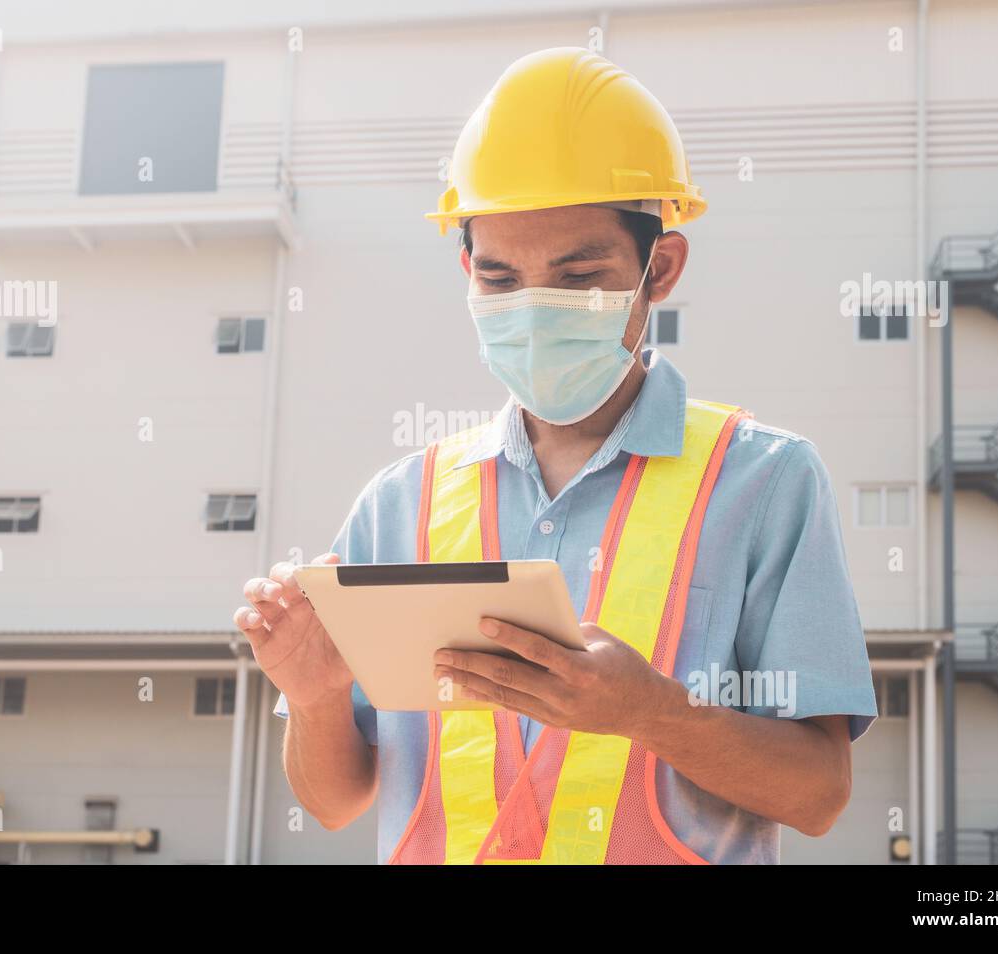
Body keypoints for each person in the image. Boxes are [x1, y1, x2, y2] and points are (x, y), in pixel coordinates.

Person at [235, 47, 877, 865]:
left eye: (577, 277)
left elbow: (819, 795)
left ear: (661, 269)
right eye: (501, 280)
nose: (534, 312)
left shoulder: (764, 481)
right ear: (467, 270)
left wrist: (654, 714)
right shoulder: (404, 502)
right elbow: (336, 802)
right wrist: (316, 697)